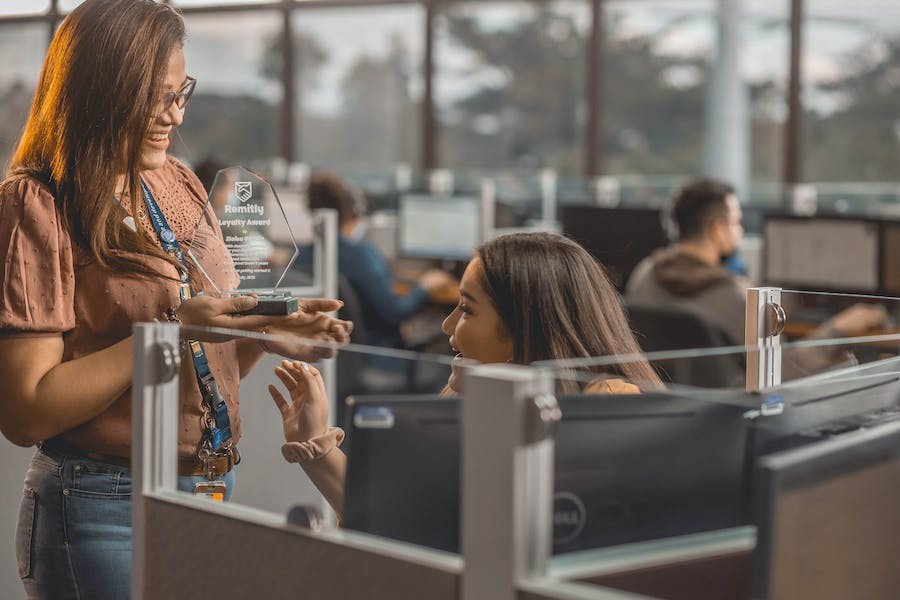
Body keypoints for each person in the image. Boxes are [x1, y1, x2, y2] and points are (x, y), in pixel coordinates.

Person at [0, 2, 350, 598]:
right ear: (100, 93)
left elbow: (205, 358)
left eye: (180, 91)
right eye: (154, 96)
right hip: (103, 502)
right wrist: (172, 329)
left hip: (210, 488)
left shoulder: (178, 181)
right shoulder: (37, 203)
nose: (174, 113)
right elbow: (26, 410)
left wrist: (265, 333)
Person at [267, 232, 664, 518]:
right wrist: (314, 443)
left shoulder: (606, 402)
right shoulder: (474, 398)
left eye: (467, 309)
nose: (447, 326)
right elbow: (396, 517)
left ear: (528, 327)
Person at [626, 178, 886, 352]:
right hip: (738, 415)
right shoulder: (731, 295)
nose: (739, 232)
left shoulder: (644, 274)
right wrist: (838, 330)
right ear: (718, 230)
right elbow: (781, 372)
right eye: (736, 223)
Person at [300, 171, 458, 347]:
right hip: (377, 354)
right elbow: (394, 314)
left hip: (337, 354)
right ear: (353, 212)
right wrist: (425, 287)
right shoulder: (361, 255)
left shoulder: (301, 255)